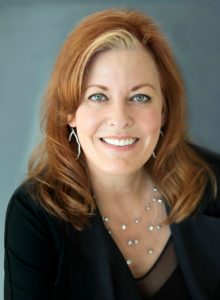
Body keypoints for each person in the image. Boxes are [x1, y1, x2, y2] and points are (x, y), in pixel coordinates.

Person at [4, 8, 220, 300]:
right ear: (70, 111)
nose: (119, 119)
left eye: (140, 97)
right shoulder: (35, 215)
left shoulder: (212, 180)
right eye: (98, 96)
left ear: (164, 111)